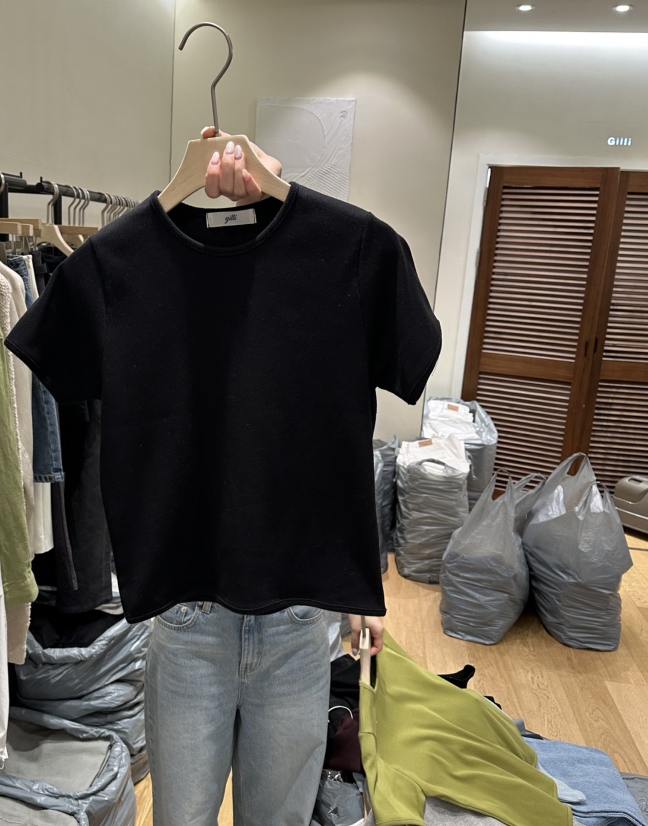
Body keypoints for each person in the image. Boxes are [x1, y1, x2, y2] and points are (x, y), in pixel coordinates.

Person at [143, 126, 385, 826]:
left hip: (298, 611)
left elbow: (344, 444)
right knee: (181, 817)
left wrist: (358, 583)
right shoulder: (131, 267)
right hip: (189, 613)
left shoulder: (349, 259)